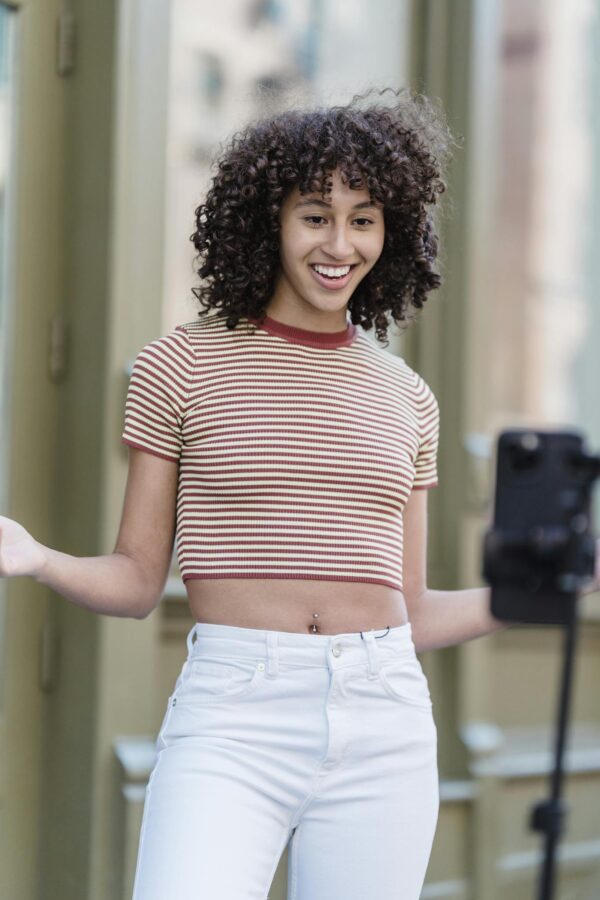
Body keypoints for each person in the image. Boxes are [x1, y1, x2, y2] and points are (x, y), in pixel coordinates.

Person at [1, 86, 599, 900]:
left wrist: (549, 585)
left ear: (392, 234)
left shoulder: (407, 396)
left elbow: (412, 610)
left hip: (383, 713)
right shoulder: (180, 364)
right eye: (315, 214)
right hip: (232, 715)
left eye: (364, 218)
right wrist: (37, 558)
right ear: (269, 220)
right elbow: (138, 582)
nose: (339, 243)